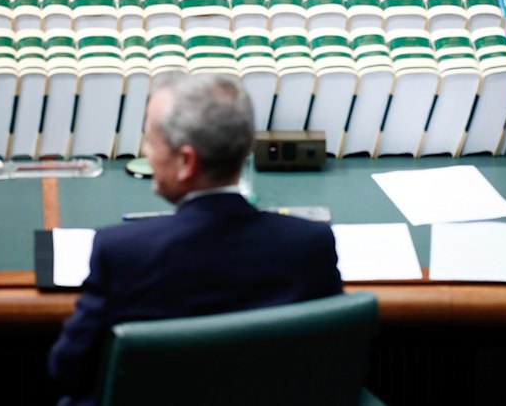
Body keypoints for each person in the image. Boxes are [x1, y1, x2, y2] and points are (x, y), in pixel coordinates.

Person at [48, 73, 343, 406]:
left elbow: (68, 369)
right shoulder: (310, 245)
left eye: (150, 141)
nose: (145, 151)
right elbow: (336, 363)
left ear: (186, 162)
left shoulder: (122, 253)